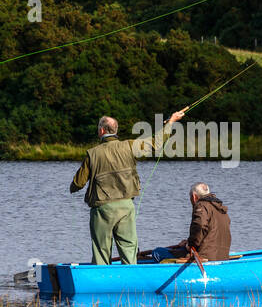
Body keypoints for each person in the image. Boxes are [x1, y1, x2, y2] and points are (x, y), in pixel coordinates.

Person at [70, 110, 185, 265]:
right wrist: (171, 122)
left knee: (101, 251)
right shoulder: (130, 146)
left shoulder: (92, 154)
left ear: (101, 131)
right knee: (129, 250)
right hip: (126, 206)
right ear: (115, 130)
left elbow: (78, 184)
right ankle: (131, 282)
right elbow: (156, 144)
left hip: (102, 209)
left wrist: (72, 187)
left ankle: (102, 282)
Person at [151, 182, 232, 263]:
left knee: (157, 252)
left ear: (194, 196)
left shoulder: (201, 206)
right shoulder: (221, 209)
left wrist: (189, 245)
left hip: (203, 255)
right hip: (222, 256)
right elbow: (209, 233)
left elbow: (200, 227)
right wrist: (188, 242)